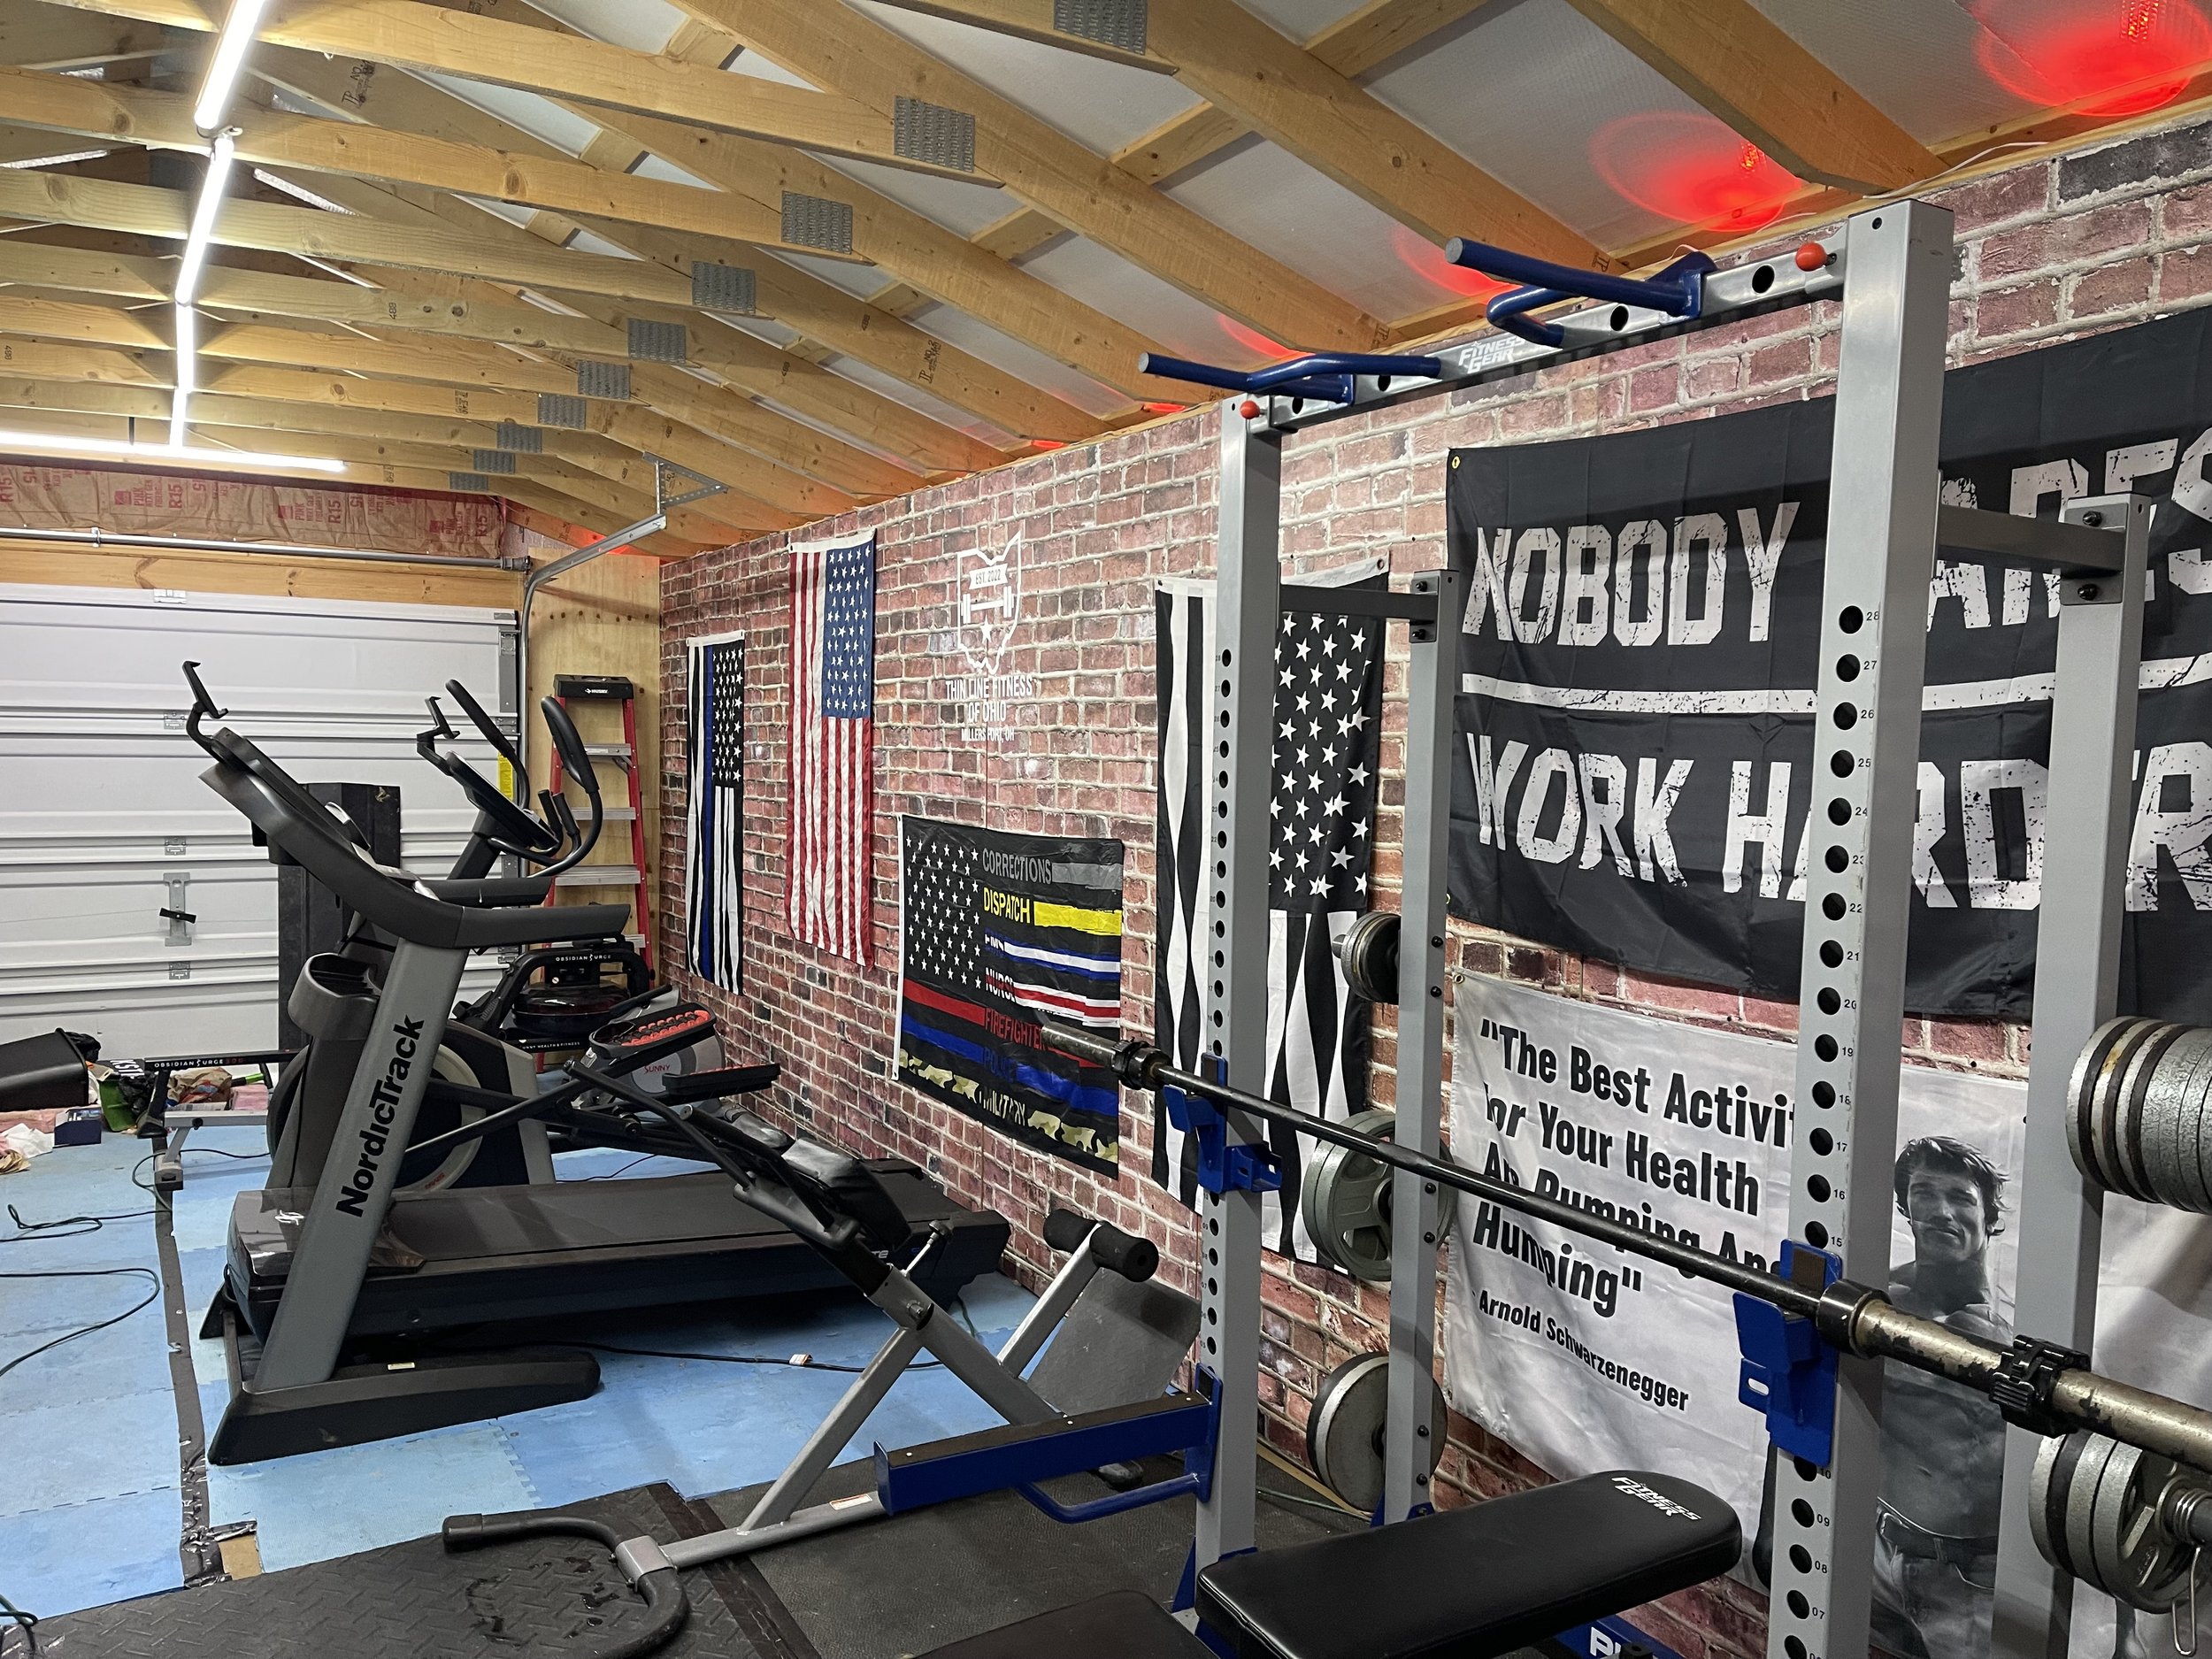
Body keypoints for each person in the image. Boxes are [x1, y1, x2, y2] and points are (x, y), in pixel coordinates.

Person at [1870, 1135, 2013, 1659]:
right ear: (1905, 1206)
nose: (1939, 1211)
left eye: (1960, 1197)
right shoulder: (1877, 1304)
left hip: (1966, 1582)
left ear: (1990, 1216)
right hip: (1874, 1552)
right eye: (1923, 1193)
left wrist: (2124, 1631)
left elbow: (2086, 1471)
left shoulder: (2016, 1336)